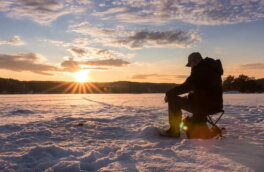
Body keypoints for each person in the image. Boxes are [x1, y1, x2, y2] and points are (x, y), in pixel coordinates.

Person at [164, 52, 224, 138]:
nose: (191, 67)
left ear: (194, 61)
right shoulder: (211, 68)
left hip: (203, 106)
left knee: (172, 99)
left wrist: (168, 93)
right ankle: (200, 127)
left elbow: (187, 86)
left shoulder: (201, 70)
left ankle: (174, 131)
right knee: (186, 104)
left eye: (190, 64)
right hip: (214, 105)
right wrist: (189, 97)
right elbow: (202, 90)